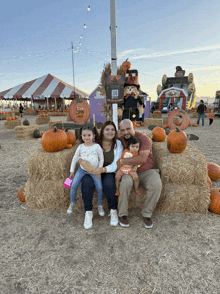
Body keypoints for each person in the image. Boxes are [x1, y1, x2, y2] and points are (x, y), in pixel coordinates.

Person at [117, 119, 162, 229]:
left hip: (147, 171)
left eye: (128, 129)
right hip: (128, 171)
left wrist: (122, 161)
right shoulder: (120, 140)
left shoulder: (144, 139)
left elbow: (142, 158)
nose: (126, 132)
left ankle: (147, 214)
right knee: (125, 183)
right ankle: (122, 213)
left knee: (156, 184)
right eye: (123, 130)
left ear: (134, 128)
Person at [80, 121, 123, 229]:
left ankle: (113, 210)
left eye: (112, 129)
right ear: (102, 131)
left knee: (109, 184)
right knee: (86, 183)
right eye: (107, 129)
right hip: (92, 171)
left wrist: (103, 169)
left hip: (107, 170)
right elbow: (81, 149)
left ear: (115, 132)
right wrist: (81, 160)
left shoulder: (118, 144)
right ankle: (88, 212)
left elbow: (116, 164)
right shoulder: (94, 142)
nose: (110, 132)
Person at [67, 125, 104, 218]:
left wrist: (99, 169)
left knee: (99, 187)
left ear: (94, 136)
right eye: (84, 135)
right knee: (74, 184)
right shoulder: (80, 147)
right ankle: (72, 202)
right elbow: (75, 158)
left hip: (94, 170)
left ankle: (99, 204)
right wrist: (72, 171)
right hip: (82, 170)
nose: (86, 137)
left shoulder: (97, 146)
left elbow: (101, 158)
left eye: (89, 135)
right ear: (81, 136)